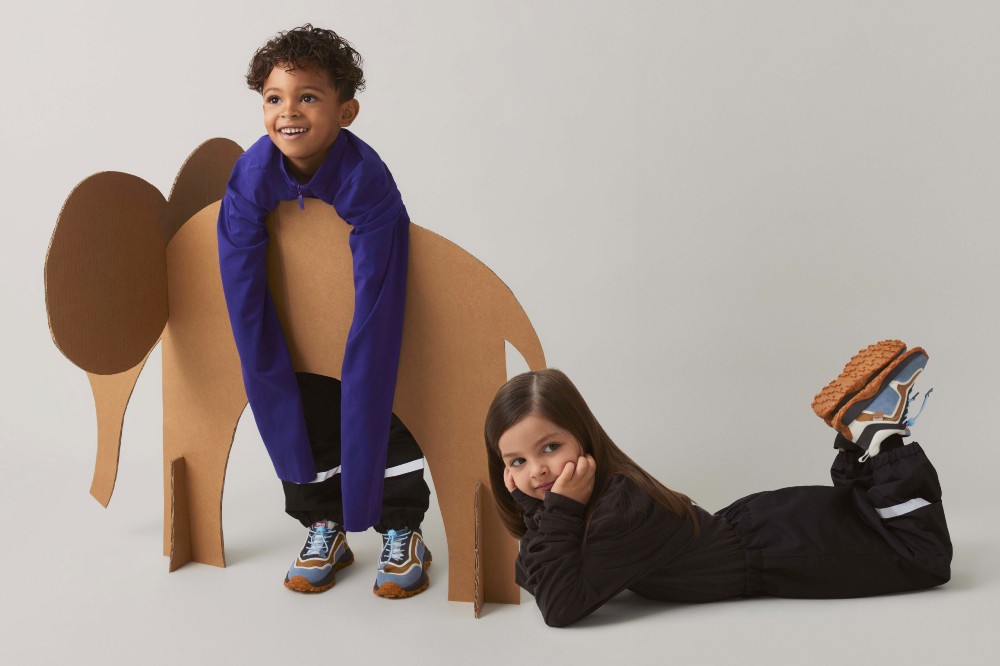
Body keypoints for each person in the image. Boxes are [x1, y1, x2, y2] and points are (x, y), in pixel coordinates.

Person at [484, 340, 951, 627]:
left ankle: (881, 435)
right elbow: (535, 576)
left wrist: (554, 510)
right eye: (517, 461)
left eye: (549, 448)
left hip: (783, 551)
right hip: (766, 530)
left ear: (583, 437)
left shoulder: (618, 509)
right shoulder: (588, 498)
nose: (537, 471)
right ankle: (859, 436)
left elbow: (559, 605)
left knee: (923, 556)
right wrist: (537, 506)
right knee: (867, 516)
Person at [217, 24, 431, 598]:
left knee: (378, 402)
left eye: (307, 97)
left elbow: (381, 276)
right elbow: (239, 269)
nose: (289, 112)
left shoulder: (365, 177)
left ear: (346, 111)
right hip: (297, 320)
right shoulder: (252, 174)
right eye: (274, 98)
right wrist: (263, 349)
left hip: (355, 314)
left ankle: (400, 527)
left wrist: (363, 348)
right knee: (300, 401)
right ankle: (324, 524)